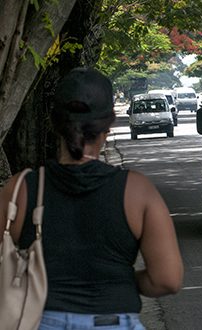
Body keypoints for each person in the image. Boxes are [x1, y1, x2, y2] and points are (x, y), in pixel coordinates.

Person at [0, 67, 183, 329]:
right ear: (108, 125)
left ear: (54, 123)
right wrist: (120, 279)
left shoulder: (22, 189)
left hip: (39, 320)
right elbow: (167, 279)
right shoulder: (137, 191)